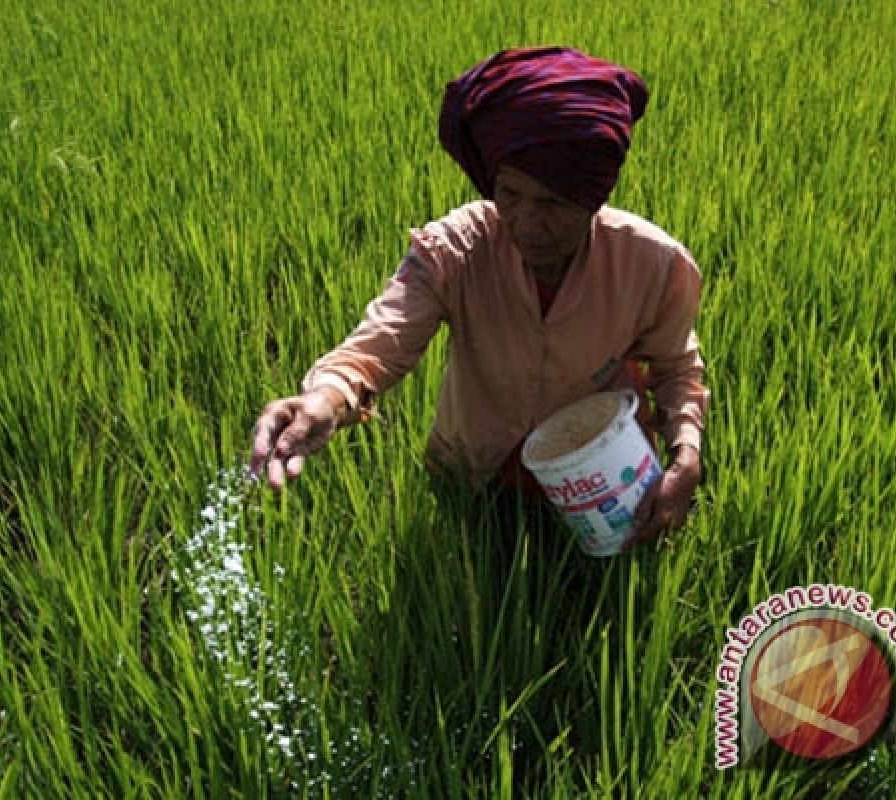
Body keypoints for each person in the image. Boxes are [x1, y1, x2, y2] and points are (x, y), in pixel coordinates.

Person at [248, 46, 709, 548]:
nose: (527, 224)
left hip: (603, 480)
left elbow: (676, 368)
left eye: (552, 203)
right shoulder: (457, 247)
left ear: (591, 198)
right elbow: (380, 342)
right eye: (509, 195)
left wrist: (686, 452)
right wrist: (326, 398)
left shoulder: (652, 265)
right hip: (475, 476)